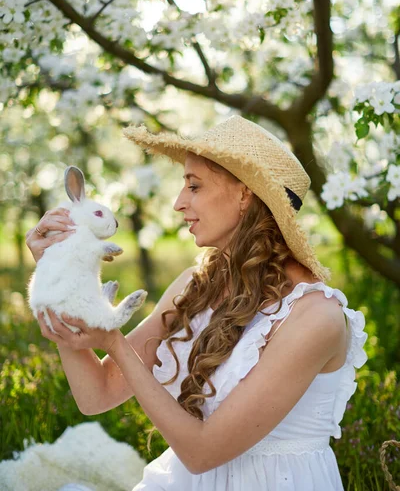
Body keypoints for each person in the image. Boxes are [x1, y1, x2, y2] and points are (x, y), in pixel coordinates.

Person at [26, 115, 368, 491]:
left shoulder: (315, 316)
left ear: (245, 194)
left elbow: (203, 452)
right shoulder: (194, 285)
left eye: (194, 185)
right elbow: (97, 394)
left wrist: (114, 343)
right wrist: (56, 274)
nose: (177, 203)